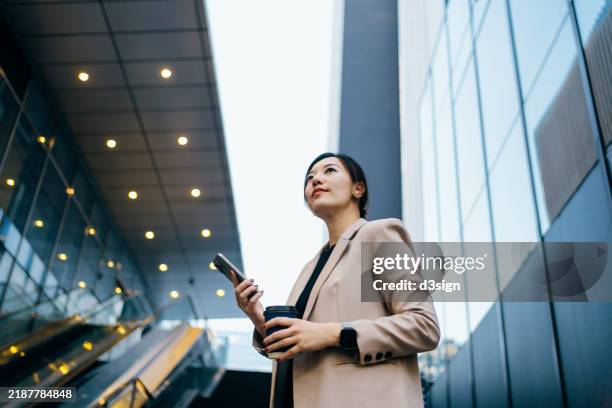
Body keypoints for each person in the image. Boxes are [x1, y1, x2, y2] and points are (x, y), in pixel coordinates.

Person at [230, 152, 440, 408]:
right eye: (309, 178)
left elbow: (424, 326)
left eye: (329, 171)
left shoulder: (378, 235)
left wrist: (333, 333)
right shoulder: (310, 267)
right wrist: (257, 316)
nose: (316, 179)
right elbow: (297, 343)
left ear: (358, 189)